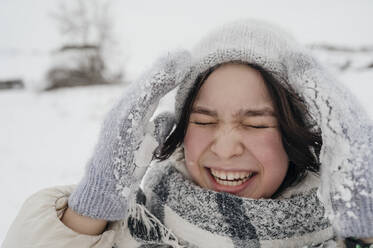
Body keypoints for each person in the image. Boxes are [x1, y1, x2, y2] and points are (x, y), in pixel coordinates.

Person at [3, 20, 373, 248]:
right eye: (204, 121)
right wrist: (87, 213)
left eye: (256, 123)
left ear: (296, 133)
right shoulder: (124, 233)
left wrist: (362, 237)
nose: (225, 148)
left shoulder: (341, 236)